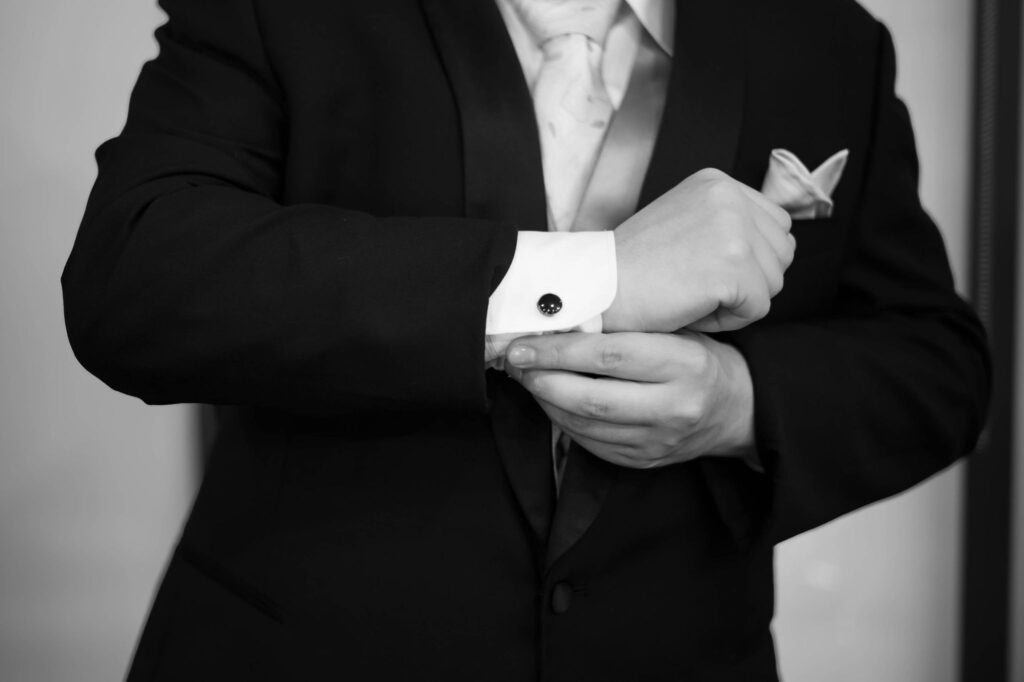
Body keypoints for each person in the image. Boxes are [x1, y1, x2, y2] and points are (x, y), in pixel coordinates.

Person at [61, 0, 990, 679]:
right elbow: (133, 275)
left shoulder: (829, 41)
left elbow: (938, 365)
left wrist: (739, 405)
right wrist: (596, 277)